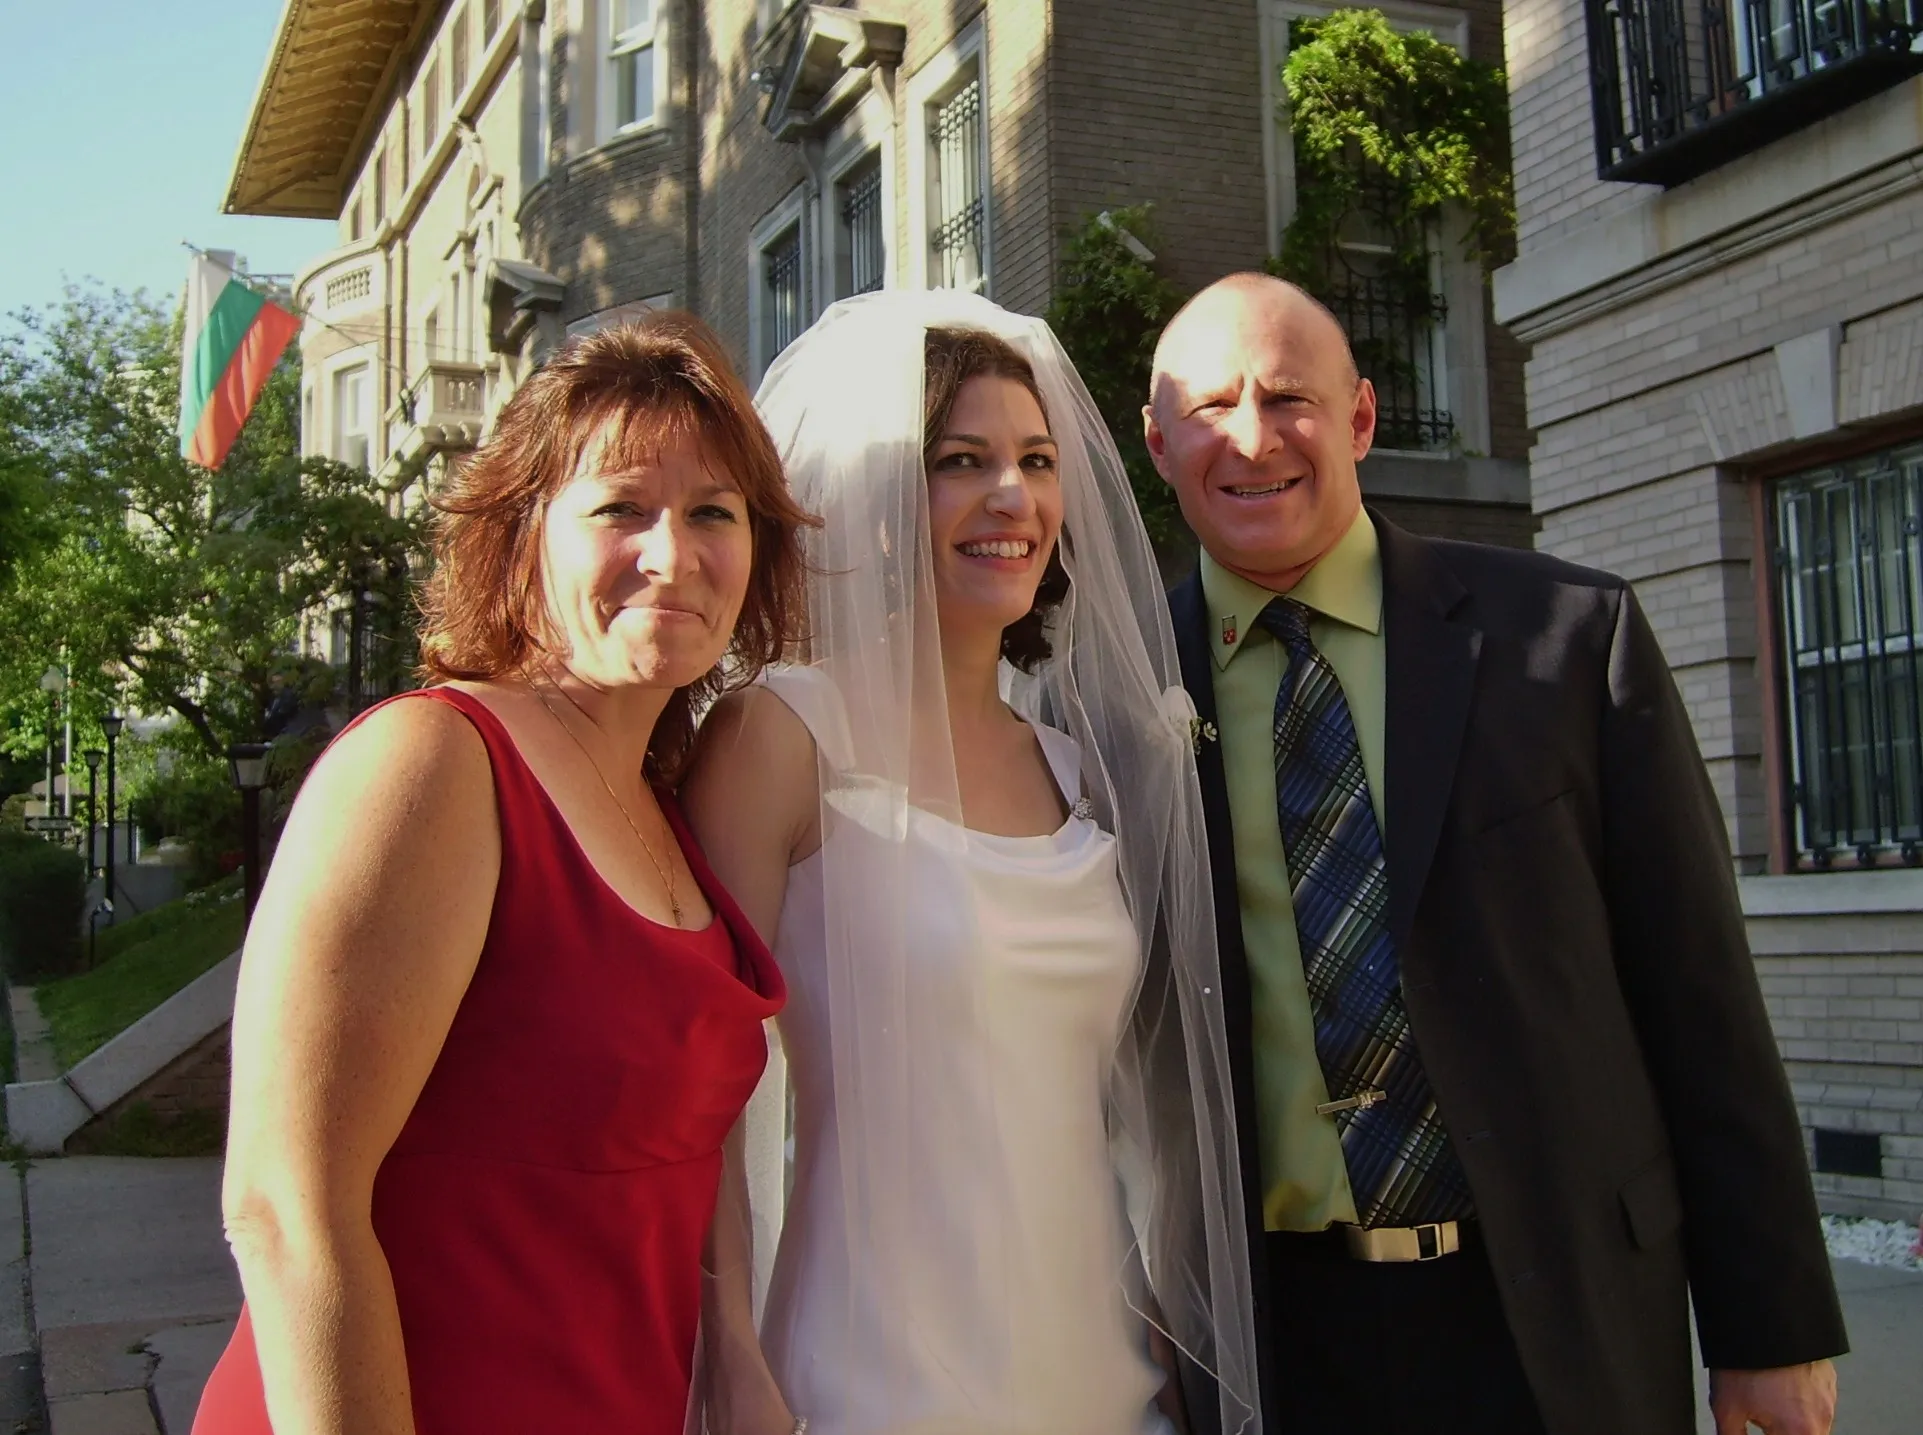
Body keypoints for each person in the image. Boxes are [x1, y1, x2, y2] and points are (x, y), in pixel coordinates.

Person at [1145, 271, 1848, 1435]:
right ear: (1159, 441)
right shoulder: (1118, 694)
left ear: (1362, 418)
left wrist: (1768, 1324)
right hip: (1272, 1338)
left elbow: (1701, 1000)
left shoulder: (1569, 638)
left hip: (1551, 1314)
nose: (1253, 437)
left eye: (1289, 398)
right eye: (1212, 406)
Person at [193, 316, 812, 1435]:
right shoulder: (432, 764)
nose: (673, 554)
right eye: (621, 507)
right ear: (522, 538)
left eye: (714, 512)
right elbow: (287, 1207)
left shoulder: (669, 808)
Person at [681, 291, 1261, 1435]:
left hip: (1097, 1373)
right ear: (875, 492)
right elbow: (699, 1088)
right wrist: (727, 1350)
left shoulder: (1071, 763)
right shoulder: (779, 737)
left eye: (1037, 461)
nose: (1014, 496)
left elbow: (1119, 1108)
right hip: (869, 1375)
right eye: (962, 460)